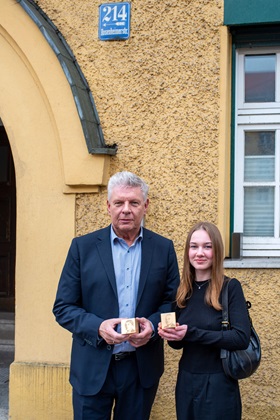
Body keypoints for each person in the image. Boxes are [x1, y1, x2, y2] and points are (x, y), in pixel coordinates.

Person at [53, 171, 180, 420]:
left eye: (133, 203)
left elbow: (174, 303)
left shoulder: (163, 248)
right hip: (92, 367)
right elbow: (63, 307)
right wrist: (99, 327)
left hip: (140, 368)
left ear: (145, 206)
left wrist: (152, 328)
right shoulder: (83, 247)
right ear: (108, 206)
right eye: (119, 203)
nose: (126, 210)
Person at [158, 221, 251, 420]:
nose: (200, 253)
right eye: (194, 246)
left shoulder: (230, 288)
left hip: (219, 384)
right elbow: (177, 345)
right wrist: (171, 334)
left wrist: (191, 333)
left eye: (207, 247)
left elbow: (241, 338)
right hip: (186, 382)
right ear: (187, 251)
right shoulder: (182, 291)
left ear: (216, 251)